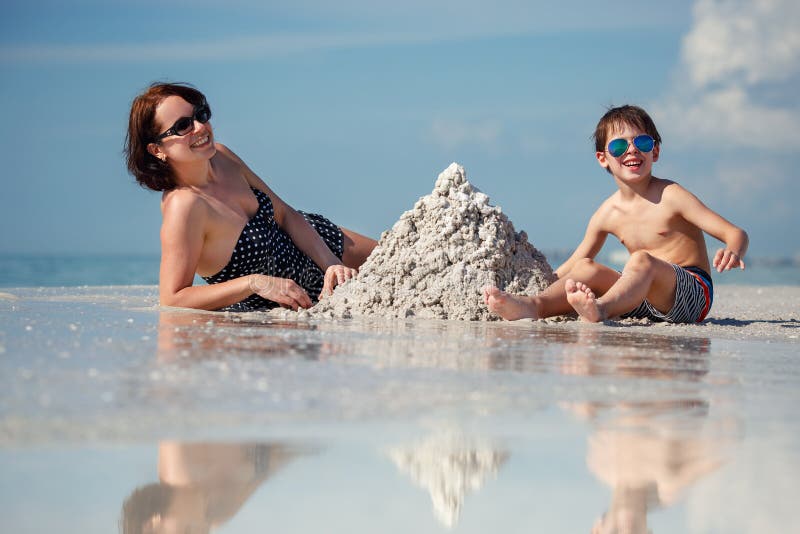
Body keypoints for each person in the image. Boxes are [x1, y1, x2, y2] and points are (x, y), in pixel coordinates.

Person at [484, 105, 748, 323]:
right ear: (603, 158)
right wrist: (541, 284)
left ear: (654, 151)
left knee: (641, 261)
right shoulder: (607, 213)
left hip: (691, 295)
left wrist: (733, 249)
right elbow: (576, 262)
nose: (632, 150)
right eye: (619, 147)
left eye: (642, 142)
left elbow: (735, 233)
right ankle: (534, 306)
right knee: (585, 268)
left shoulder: (671, 195)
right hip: (639, 298)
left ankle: (600, 309)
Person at [125, 82, 376, 311]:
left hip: (321, 244)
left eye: (200, 115)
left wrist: (332, 264)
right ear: (157, 150)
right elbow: (173, 297)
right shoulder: (184, 206)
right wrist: (254, 283)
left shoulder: (221, 156)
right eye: (183, 126)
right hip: (293, 305)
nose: (201, 128)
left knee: (409, 262)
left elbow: (285, 214)